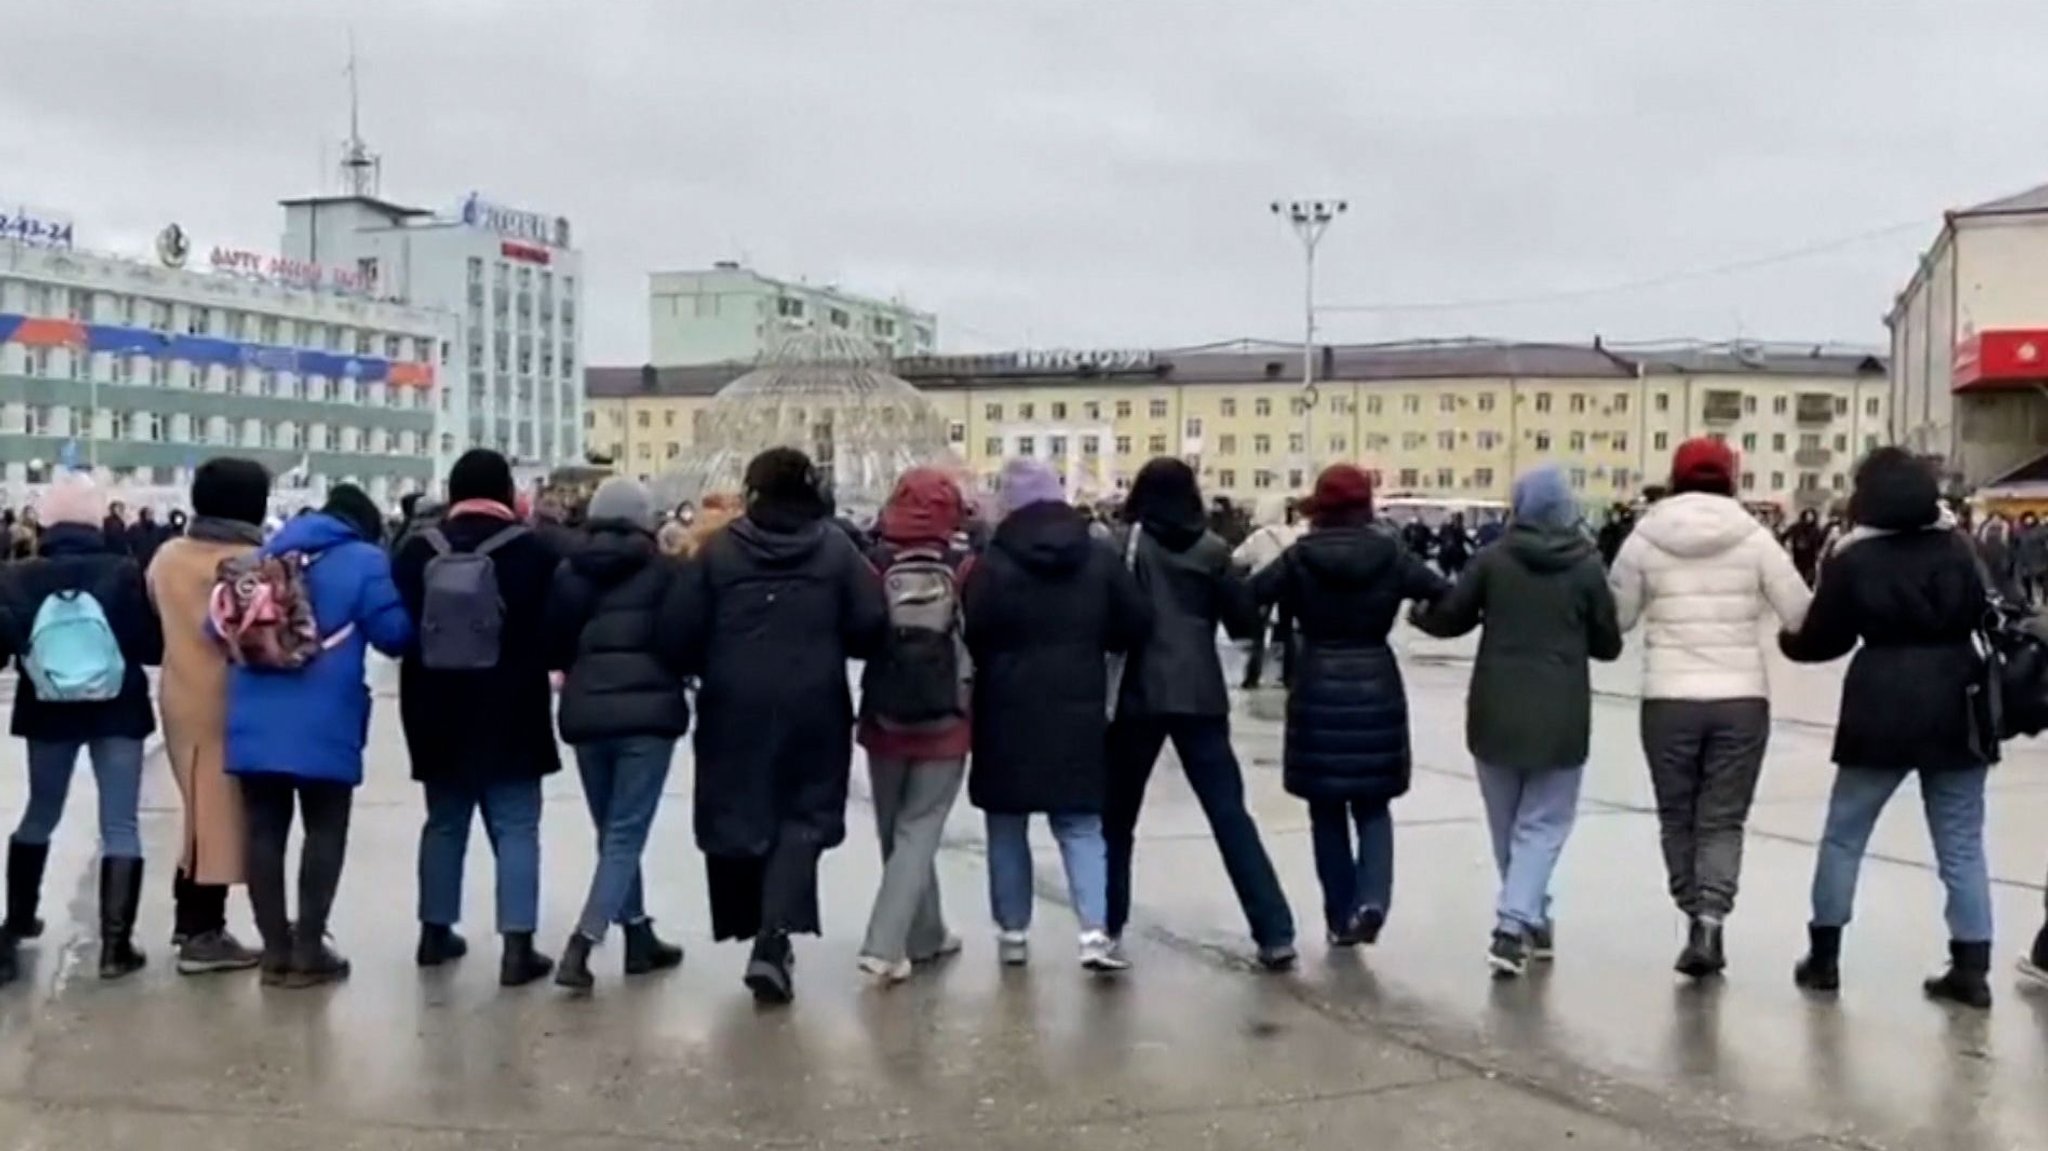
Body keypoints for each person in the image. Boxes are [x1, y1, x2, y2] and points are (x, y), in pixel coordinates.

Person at [663, 447, 886, 1004]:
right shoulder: (835, 548)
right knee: (802, 814)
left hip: (734, 702)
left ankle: (759, 931)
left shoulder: (720, 551)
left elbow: (678, 634)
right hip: (814, 701)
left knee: (740, 810)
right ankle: (772, 936)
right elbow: (870, 624)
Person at [1779, 449, 1997, 1008]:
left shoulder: (1855, 559)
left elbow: (1823, 640)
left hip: (1880, 703)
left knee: (1845, 835)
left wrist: (1788, 639)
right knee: (1962, 843)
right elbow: (1989, 611)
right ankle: (1971, 968)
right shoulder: (1958, 548)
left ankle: (1824, 958)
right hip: (1958, 701)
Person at [1608, 437, 1810, 978]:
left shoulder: (1643, 539)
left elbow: (1618, 619)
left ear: (1675, 479)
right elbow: (1799, 614)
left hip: (1668, 699)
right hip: (1741, 699)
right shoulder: (1756, 538)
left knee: (1678, 816)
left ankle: (1690, 908)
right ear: (1731, 480)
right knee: (1722, 819)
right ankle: (1711, 922)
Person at [1410, 465, 1621, 976]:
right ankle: (1513, 925)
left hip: (1494, 710)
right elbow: (1608, 645)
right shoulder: (1586, 566)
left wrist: (1419, 611)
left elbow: (1452, 617)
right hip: (1561, 715)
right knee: (1543, 826)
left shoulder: (1492, 561)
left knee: (1508, 828)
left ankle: (1530, 916)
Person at [1105, 458, 1295, 970]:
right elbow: (1241, 626)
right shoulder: (1213, 550)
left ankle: (1106, 923)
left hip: (1136, 692)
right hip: (1200, 692)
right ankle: (1274, 929)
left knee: (1117, 817)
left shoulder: (1123, 544)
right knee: (1229, 814)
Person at [1249, 465, 1447, 949]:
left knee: (1326, 808)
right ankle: (1373, 899)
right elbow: (1444, 593)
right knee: (1374, 805)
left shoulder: (1299, 558)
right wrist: (1420, 615)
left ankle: (1340, 917)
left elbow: (1248, 596)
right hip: (1376, 680)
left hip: (1317, 680)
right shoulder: (1391, 554)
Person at [222, 484, 412, 987]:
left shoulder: (263, 555)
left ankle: (274, 953)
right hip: (327, 716)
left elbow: (212, 626)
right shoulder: (365, 560)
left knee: (264, 830)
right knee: (324, 829)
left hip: (254, 715)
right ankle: (309, 950)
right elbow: (394, 636)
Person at [964, 458, 1150, 970]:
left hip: (1005, 706)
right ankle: (1094, 933)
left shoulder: (993, 562)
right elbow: (1134, 623)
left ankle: (1013, 935)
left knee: (1006, 824)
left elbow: (974, 631)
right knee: (1081, 825)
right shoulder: (1097, 556)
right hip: (1079, 705)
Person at [393, 450, 565, 987]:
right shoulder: (533, 550)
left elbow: (400, 627)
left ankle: (434, 932)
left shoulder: (416, 548)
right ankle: (518, 948)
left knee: (444, 823)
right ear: (506, 489)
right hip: (511, 702)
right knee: (516, 825)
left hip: (433, 702)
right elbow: (552, 628)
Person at [0, 474, 164, 984]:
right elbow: (149, 645)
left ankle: (17, 922)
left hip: (47, 710)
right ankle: (115, 946)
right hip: (118, 708)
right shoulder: (123, 571)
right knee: (121, 822)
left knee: (40, 812)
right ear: (98, 521)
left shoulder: (16, 575)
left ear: (44, 521)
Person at [542, 477, 689, 992]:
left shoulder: (569, 571)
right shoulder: (666, 573)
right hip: (647, 716)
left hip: (586, 714)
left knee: (611, 832)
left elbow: (554, 644)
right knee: (625, 834)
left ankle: (639, 934)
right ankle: (583, 942)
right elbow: (680, 642)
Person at [145, 458, 271, 975]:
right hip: (233, 699)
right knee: (215, 818)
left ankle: (196, 924)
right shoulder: (253, 561)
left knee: (201, 812)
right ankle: (201, 931)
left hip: (180, 695)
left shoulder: (168, 556)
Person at [852, 467, 978, 982]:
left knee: (895, 829)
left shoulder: (872, 564)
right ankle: (885, 945)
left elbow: (860, 634)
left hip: (885, 715)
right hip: (947, 717)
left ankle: (926, 934)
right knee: (920, 828)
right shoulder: (966, 565)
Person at [1233, 494, 1300, 691]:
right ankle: (1289, 676)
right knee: (1288, 633)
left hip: (1263, 588)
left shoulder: (1260, 536)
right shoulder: (1294, 534)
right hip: (1289, 587)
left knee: (1258, 634)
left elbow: (1238, 558)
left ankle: (1252, 676)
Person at [1783, 509, 1826, 587]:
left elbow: (1821, 542)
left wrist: (1819, 551)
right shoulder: (1796, 527)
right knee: (1799, 575)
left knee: (1809, 578)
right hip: (1798, 556)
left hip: (1810, 558)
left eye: (1811, 516)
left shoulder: (1816, 529)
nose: (1809, 518)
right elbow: (1784, 535)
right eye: (1807, 515)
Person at [127, 507, 168, 571]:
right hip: (139, 560)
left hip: (153, 559)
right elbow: (129, 543)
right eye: (148, 514)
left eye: (151, 514)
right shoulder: (134, 528)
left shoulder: (157, 529)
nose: (151, 516)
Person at [1436, 514, 1473, 579]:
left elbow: (1439, 539)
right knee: (1457, 571)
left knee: (1451, 572)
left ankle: (1448, 581)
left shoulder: (1456, 528)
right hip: (1454, 554)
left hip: (1449, 554)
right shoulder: (1451, 528)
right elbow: (1464, 538)